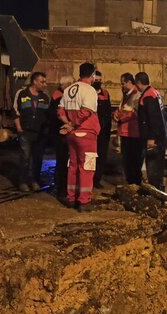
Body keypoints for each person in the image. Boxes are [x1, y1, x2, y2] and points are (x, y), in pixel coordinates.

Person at [57, 63, 100, 211]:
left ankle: (71, 197)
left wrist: (68, 124)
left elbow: (60, 111)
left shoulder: (69, 89)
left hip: (71, 135)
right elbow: (86, 111)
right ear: (92, 75)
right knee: (87, 167)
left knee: (73, 166)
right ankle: (84, 201)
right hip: (85, 133)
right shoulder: (90, 90)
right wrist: (73, 124)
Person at [13, 72, 50, 192]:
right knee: (25, 157)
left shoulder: (45, 97)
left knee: (37, 158)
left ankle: (34, 180)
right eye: (42, 82)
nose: (45, 84)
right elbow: (15, 111)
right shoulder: (21, 94)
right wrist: (19, 128)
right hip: (25, 132)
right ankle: (23, 182)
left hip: (40, 134)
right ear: (35, 81)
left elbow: (48, 115)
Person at [135, 72, 167, 191]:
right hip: (161, 135)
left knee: (153, 166)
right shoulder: (155, 93)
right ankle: (159, 188)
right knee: (158, 165)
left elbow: (153, 118)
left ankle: (156, 192)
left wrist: (151, 138)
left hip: (154, 138)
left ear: (138, 83)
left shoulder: (147, 96)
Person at [114, 73, 143, 185]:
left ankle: (135, 182)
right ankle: (130, 181)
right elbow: (122, 108)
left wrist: (120, 118)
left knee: (133, 159)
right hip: (126, 132)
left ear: (129, 82)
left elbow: (134, 113)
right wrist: (116, 114)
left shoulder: (136, 95)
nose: (122, 86)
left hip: (133, 132)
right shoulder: (127, 95)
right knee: (126, 159)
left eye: (123, 83)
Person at [49, 75, 75, 201]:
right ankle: (61, 189)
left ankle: (61, 187)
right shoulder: (59, 98)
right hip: (61, 135)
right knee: (63, 162)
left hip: (61, 134)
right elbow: (57, 116)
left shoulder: (57, 96)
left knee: (63, 162)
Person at [93, 71, 112, 188]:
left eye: (99, 81)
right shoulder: (88, 93)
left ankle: (97, 179)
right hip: (92, 130)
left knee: (101, 155)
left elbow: (108, 110)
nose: (98, 83)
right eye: (96, 81)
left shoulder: (105, 93)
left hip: (104, 130)